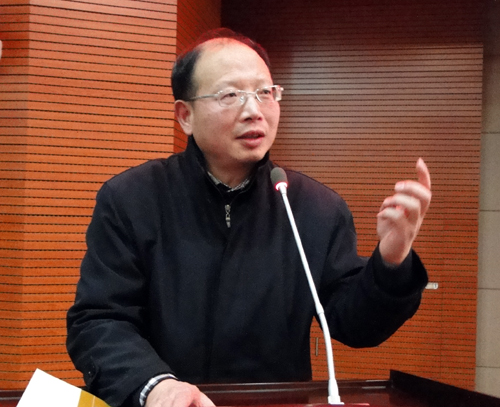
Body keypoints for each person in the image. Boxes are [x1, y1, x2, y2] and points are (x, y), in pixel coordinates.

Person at [66, 28, 432, 407]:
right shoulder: (132, 198)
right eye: (230, 95)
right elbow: (99, 320)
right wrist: (155, 385)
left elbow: (355, 325)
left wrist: (392, 260)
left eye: (265, 93)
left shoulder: (315, 207)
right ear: (185, 115)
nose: (254, 110)